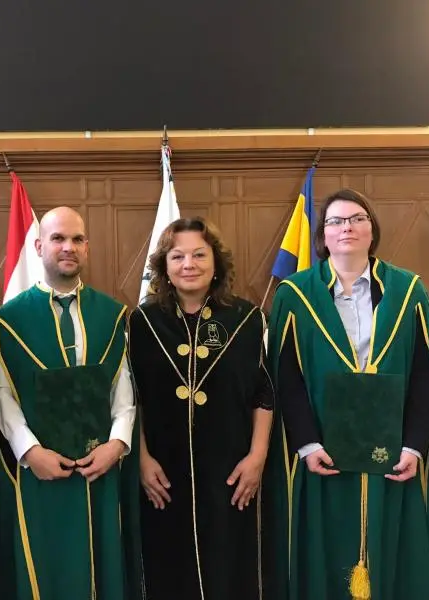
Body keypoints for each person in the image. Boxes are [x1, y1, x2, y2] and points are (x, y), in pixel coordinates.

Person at [263, 189, 429, 599]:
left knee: (394, 547)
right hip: (324, 450)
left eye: (358, 219)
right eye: (336, 221)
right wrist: (306, 444)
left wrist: (414, 446)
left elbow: (425, 376)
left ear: (372, 230)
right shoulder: (295, 294)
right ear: (323, 235)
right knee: (328, 549)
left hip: (392, 450)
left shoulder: (408, 291)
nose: (347, 228)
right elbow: (285, 378)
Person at [0, 206, 142, 600]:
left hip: (100, 467)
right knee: (46, 568)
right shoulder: (7, 320)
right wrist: (30, 452)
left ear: (87, 247)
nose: (68, 247)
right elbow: (3, 395)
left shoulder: (113, 315)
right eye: (58, 238)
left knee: (102, 565)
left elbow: (123, 390)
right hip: (39, 472)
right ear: (39, 246)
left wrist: (117, 445)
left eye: (76, 239)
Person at [128, 216, 274, 600]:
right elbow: (132, 398)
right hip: (163, 474)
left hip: (231, 473)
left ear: (216, 262)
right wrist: (141, 459)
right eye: (177, 256)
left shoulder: (247, 319)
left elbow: (263, 393)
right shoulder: (143, 322)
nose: (188, 264)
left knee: (228, 568)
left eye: (199, 255)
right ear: (164, 266)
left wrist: (257, 457)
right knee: (167, 570)